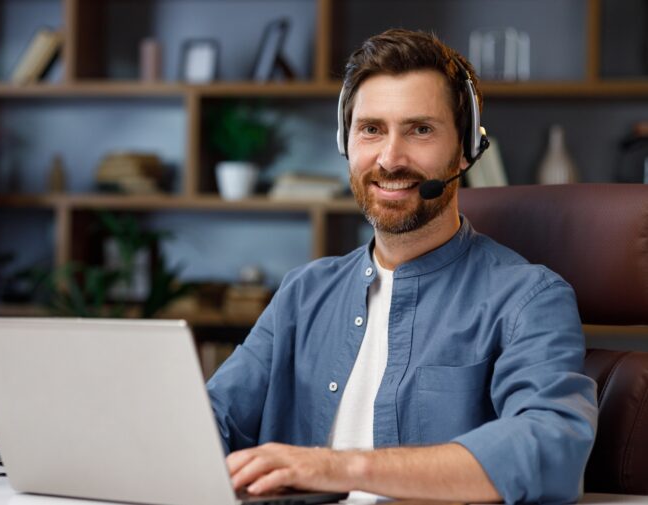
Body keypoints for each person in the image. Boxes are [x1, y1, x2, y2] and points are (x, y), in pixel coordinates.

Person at [206, 28, 597, 504]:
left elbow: (551, 449)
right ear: (345, 143)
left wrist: (342, 466)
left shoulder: (529, 298)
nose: (390, 159)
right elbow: (210, 419)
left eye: (420, 129)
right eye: (371, 129)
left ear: (466, 149)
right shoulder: (303, 292)